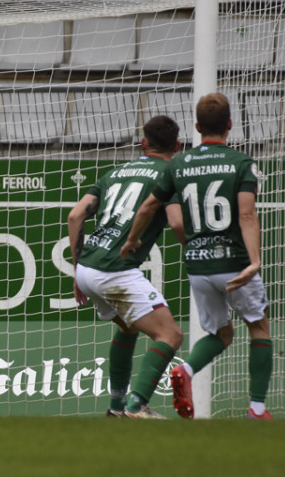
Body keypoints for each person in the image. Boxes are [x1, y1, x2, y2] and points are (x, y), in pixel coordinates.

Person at [121, 93, 273, 421]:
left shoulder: (179, 164)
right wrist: (254, 261)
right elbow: (247, 215)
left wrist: (132, 239)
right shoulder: (241, 163)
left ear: (196, 126)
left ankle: (185, 371)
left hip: (198, 265)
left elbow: (149, 206)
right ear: (230, 125)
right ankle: (257, 410)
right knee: (258, 326)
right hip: (233, 263)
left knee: (221, 334)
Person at [68, 115, 185, 419]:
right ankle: (137, 405)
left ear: (143, 143)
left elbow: (75, 215)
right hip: (114, 270)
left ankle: (117, 407)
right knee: (170, 335)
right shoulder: (171, 173)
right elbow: (175, 222)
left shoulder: (115, 172)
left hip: (89, 266)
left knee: (127, 326)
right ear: (178, 145)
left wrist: (77, 271)